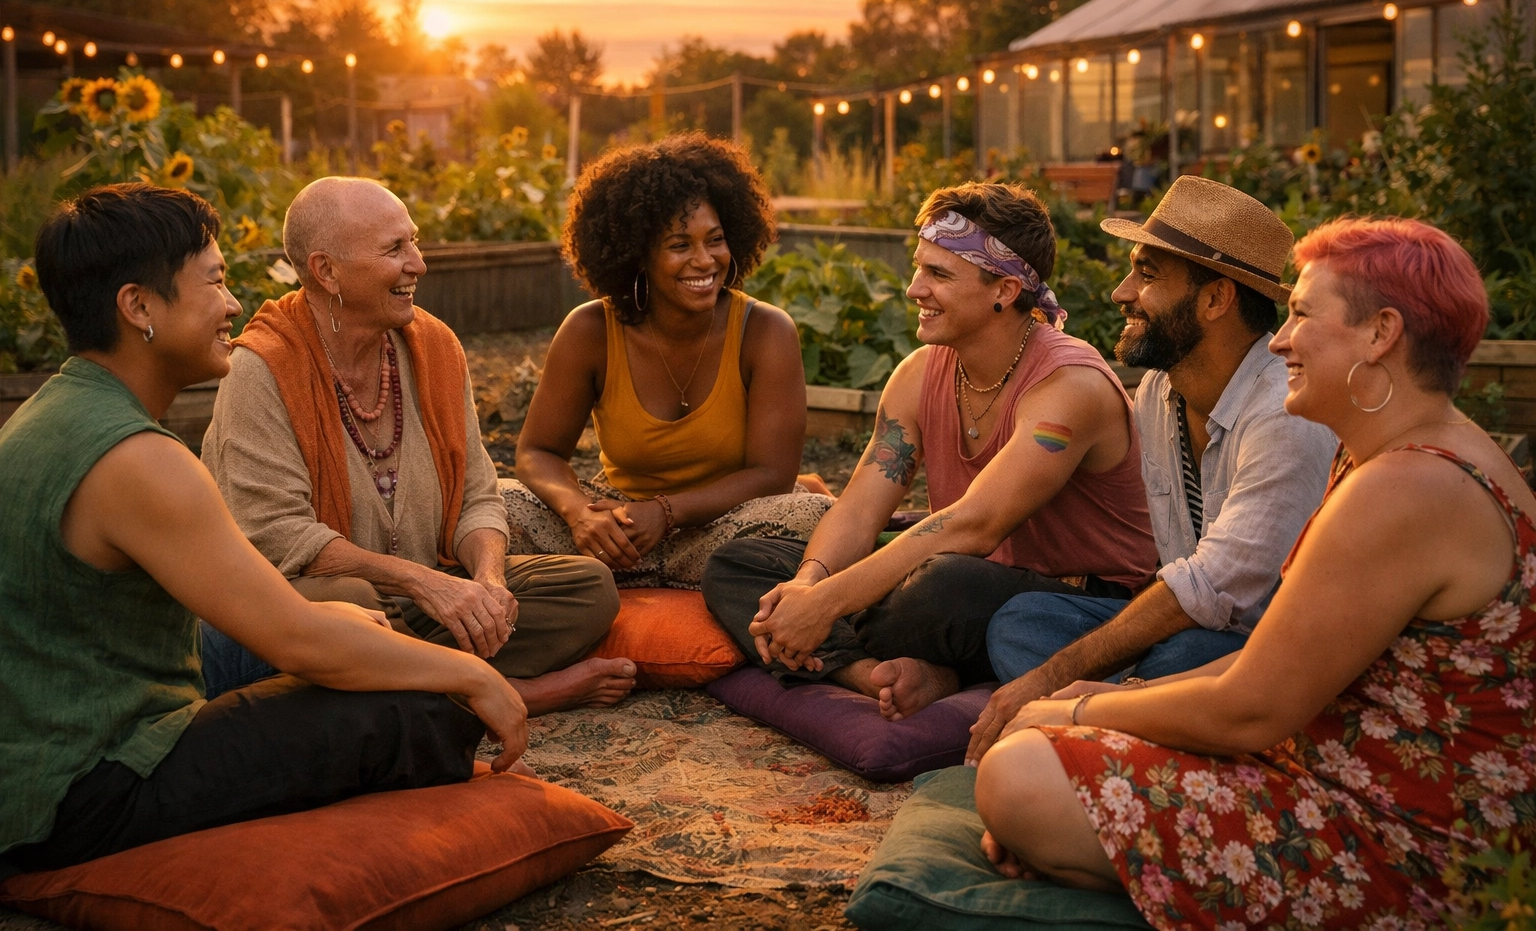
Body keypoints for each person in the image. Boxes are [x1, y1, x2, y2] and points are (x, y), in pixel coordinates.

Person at [974, 217, 1535, 928]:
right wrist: (1098, 697)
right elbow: (1275, 668)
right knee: (1041, 694)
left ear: (1381, 334)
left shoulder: (1407, 487)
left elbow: (1252, 708)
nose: (1278, 340)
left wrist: (1071, 709)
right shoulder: (1404, 456)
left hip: (1421, 848)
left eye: (1301, 315)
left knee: (1018, 774)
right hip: (1350, 762)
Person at [0, 184, 527, 873]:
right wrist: (470, 675)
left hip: (44, 757)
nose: (233, 305)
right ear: (139, 307)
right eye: (214, 282)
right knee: (417, 710)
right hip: (87, 790)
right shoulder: (140, 461)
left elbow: (278, 617)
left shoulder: (55, 413)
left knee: (353, 623)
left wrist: (343, 623)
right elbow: (296, 641)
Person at [702, 182, 1158, 721]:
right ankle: (866, 673)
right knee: (740, 562)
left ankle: (913, 664)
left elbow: (975, 525)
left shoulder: (1070, 387)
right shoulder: (918, 374)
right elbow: (859, 508)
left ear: (1005, 289)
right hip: (962, 568)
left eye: (939, 274)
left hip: (1075, 602)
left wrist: (826, 604)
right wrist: (808, 585)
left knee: (940, 588)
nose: (914, 288)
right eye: (919, 268)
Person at [203, 177, 632, 714]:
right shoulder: (261, 368)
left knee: (587, 587)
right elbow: (278, 537)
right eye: (394, 249)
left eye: (415, 241)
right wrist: (420, 582)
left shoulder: (434, 347)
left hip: (422, 595)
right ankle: (499, 690)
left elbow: (477, 494)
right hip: (312, 601)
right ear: (326, 271)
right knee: (353, 605)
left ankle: (432, 685)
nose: (419, 264)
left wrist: (487, 581)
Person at [967, 177, 1337, 762]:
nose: (1122, 292)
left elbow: (1215, 590)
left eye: (1147, 274)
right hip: (1193, 632)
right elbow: (1177, 581)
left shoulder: (1284, 414)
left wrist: (1051, 677)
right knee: (1022, 621)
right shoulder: (1159, 393)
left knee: (1182, 655)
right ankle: (1140, 712)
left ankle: (1112, 714)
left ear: (1215, 300)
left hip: (1264, 653)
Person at [506, 133, 831, 589]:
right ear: (638, 254)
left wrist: (665, 512)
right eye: (680, 245)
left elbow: (772, 475)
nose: (705, 261)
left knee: (813, 516)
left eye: (715, 240)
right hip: (620, 526)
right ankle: (659, 576)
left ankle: (613, 580)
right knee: (499, 505)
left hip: (722, 525)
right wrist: (580, 514)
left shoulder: (765, 331)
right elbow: (537, 452)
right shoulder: (590, 331)